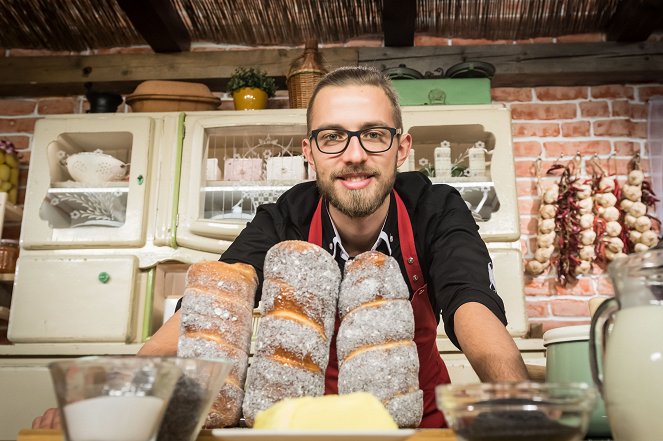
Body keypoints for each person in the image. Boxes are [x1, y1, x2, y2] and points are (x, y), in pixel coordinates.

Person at [33, 66, 528, 429]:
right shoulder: (285, 216)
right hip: (296, 425)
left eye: (374, 135)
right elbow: (211, 308)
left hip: (414, 424)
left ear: (402, 147)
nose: (354, 155)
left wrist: (516, 404)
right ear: (308, 151)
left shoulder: (435, 208)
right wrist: (116, 397)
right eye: (333, 137)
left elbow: (471, 306)